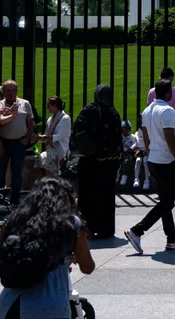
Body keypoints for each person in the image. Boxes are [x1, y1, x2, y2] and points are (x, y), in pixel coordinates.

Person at [0, 177, 96, 319]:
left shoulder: (17, 219)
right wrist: (67, 252)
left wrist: (20, 254)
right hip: (50, 308)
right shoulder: (71, 223)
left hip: (9, 306)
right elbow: (88, 267)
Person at [125, 79, 175, 253]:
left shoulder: (146, 111)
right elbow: (171, 140)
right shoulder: (168, 111)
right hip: (165, 161)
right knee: (167, 203)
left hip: (153, 159)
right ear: (169, 93)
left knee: (165, 201)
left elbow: (146, 138)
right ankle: (136, 230)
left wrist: (149, 152)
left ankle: (172, 238)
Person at [73, 84, 122, 239]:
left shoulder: (90, 109)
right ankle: (105, 229)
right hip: (108, 162)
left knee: (88, 195)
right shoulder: (113, 112)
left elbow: (78, 131)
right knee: (106, 196)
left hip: (91, 160)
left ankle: (88, 227)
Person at [0, 80, 34, 205]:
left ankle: (15, 201)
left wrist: (28, 137)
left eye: (13, 90)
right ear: (3, 91)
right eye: (8, 90)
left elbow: (31, 122)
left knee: (17, 175)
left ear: (17, 91)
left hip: (19, 143)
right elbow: (0, 121)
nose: (10, 93)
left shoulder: (25, 104)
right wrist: (12, 115)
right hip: (3, 142)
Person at [37, 97, 71, 178]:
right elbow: (46, 135)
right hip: (51, 148)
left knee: (47, 159)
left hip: (61, 148)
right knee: (42, 159)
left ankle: (54, 181)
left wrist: (47, 137)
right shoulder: (50, 119)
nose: (47, 107)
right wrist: (40, 138)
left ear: (55, 106)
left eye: (49, 105)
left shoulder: (65, 118)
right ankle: (52, 181)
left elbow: (60, 136)